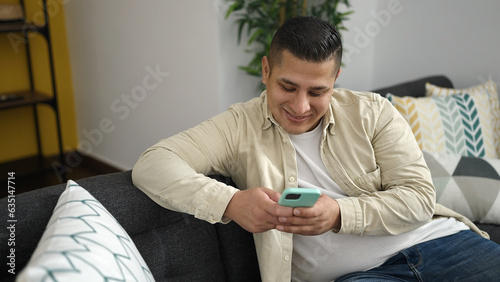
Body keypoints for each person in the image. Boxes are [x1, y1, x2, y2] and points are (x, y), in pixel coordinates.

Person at [132, 16, 500, 281]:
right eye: (288, 87)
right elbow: (154, 164)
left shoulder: (374, 112)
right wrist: (229, 202)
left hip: (443, 244)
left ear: (335, 78)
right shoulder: (238, 126)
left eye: (317, 91)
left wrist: (340, 213)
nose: (301, 106)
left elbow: (419, 200)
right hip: (362, 276)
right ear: (266, 71)